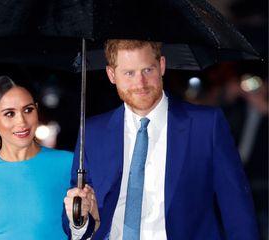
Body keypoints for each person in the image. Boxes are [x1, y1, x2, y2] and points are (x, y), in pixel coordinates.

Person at [63, 39, 259, 239]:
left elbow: (236, 207)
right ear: (112, 75)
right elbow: (77, 217)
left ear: (162, 66)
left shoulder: (206, 124)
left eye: (147, 70)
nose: (140, 83)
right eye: (129, 73)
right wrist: (81, 218)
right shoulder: (93, 131)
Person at [0, 76, 73, 239]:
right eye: (9, 113)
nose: (22, 121)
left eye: (28, 110)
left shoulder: (69, 163)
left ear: (37, 110)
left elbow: (91, 226)